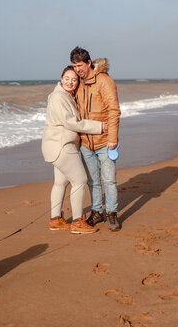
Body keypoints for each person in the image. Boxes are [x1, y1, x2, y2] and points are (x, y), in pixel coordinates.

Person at [41, 66, 108, 234]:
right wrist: (99, 126)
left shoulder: (64, 96)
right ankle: (78, 221)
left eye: (74, 79)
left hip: (56, 145)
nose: (70, 82)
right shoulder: (58, 97)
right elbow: (72, 123)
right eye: (67, 78)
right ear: (61, 78)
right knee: (80, 180)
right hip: (62, 146)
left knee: (61, 182)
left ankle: (55, 219)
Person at [70, 46, 122, 231]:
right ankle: (97, 212)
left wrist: (112, 138)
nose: (77, 69)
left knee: (109, 180)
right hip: (85, 142)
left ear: (88, 63)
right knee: (92, 181)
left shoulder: (105, 81)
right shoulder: (78, 83)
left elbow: (114, 111)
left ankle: (112, 214)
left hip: (105, 141)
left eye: (79, 65)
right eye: (74, 66)